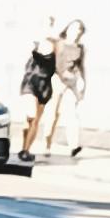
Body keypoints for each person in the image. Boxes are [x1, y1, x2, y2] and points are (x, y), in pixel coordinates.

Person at [16, 15, 59, 162]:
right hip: (30, 83)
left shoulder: (56, 44)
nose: (48, 27)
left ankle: (25, 149)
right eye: (46, 24)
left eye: (51, 24)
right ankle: (24, 149)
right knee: (31, 115)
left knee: (34, 121)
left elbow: (58, 65)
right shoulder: (33, 42)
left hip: (44, 85)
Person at [48, 13, 89, 165]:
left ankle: (74, 145)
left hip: (71, 81)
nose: (77, 32)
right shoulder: (59, 43)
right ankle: (47, 143)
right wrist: (57, 75)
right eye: (75, 28)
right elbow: (52, 61)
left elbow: (81, 66)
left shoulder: (80, 48)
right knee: (54, 113)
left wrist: (83, 82)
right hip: (57, 79)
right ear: (69, 29)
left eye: (80, 29)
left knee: (73, 113)